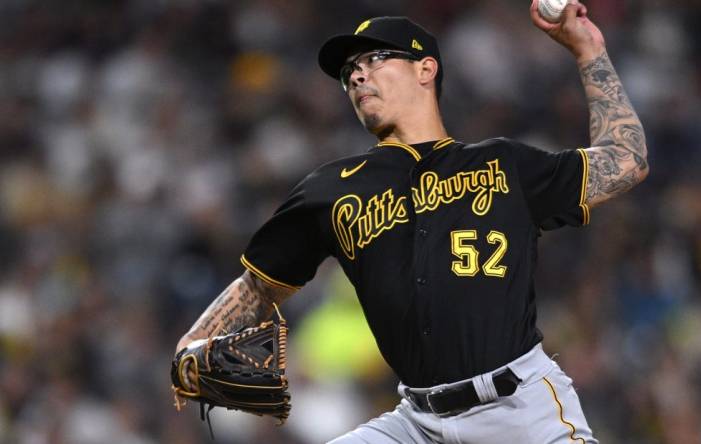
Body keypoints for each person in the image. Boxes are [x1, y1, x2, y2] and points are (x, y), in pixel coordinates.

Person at [175, 1, 648, 442]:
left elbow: (626, 159)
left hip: (520, 409)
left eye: (375, 59)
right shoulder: (332, 190)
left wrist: (589, 49)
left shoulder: (505, 166)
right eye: (348, 73)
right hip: (416, 424)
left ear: (426, 69)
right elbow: (259, 287)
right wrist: (193, 342)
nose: (357, 75)